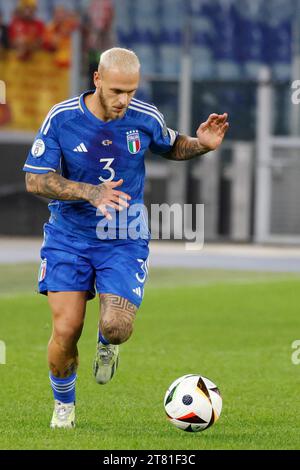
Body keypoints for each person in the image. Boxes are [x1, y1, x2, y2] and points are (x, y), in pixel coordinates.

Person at [23, 47, 229, 429]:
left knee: (116, 327)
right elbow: (35, 179)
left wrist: (201, 144)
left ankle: (107, 343)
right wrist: (90, 192)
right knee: (67, 330)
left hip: (124, 234)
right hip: (69, 236)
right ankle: (64, 405)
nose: (124, 100)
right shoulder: (63, 118)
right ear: (97, 79)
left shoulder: (144, 117)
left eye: (131, 91)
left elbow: (171, 145)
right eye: (117, 90)